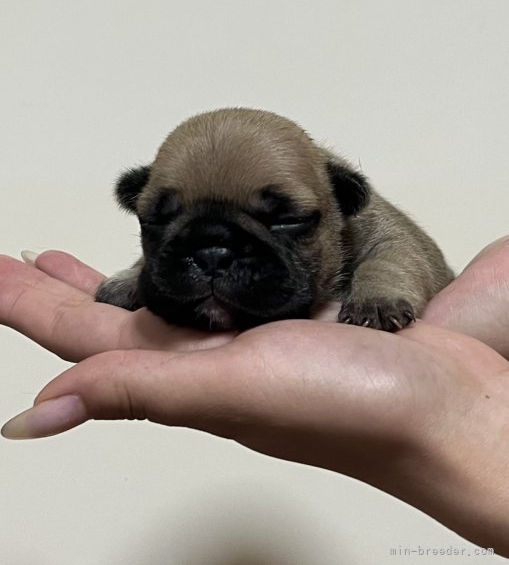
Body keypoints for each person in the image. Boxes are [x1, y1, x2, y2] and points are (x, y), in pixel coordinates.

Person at [0, 238, 508, 556]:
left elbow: (394, 253)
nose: (218, 258)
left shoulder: (365, 218)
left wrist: (384, 292)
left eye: (283, 222)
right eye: (165, 221)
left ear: (339, 196)